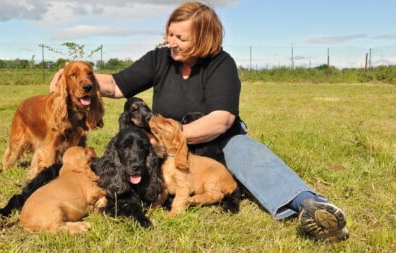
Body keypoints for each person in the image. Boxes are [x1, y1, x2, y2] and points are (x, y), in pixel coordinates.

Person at [50, 1, 349, 242]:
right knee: (123, 156)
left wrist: (172, 140)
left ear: (205, 38)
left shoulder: (222, 64)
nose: (172, 42)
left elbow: (221, 120)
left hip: (217, 143)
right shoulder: (159, 59)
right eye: (170, 34)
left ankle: (309, 206)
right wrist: (77, 78)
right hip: (165, 146)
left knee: (251, 155)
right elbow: (115, 85)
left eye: (181, 38)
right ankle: (74, 198)